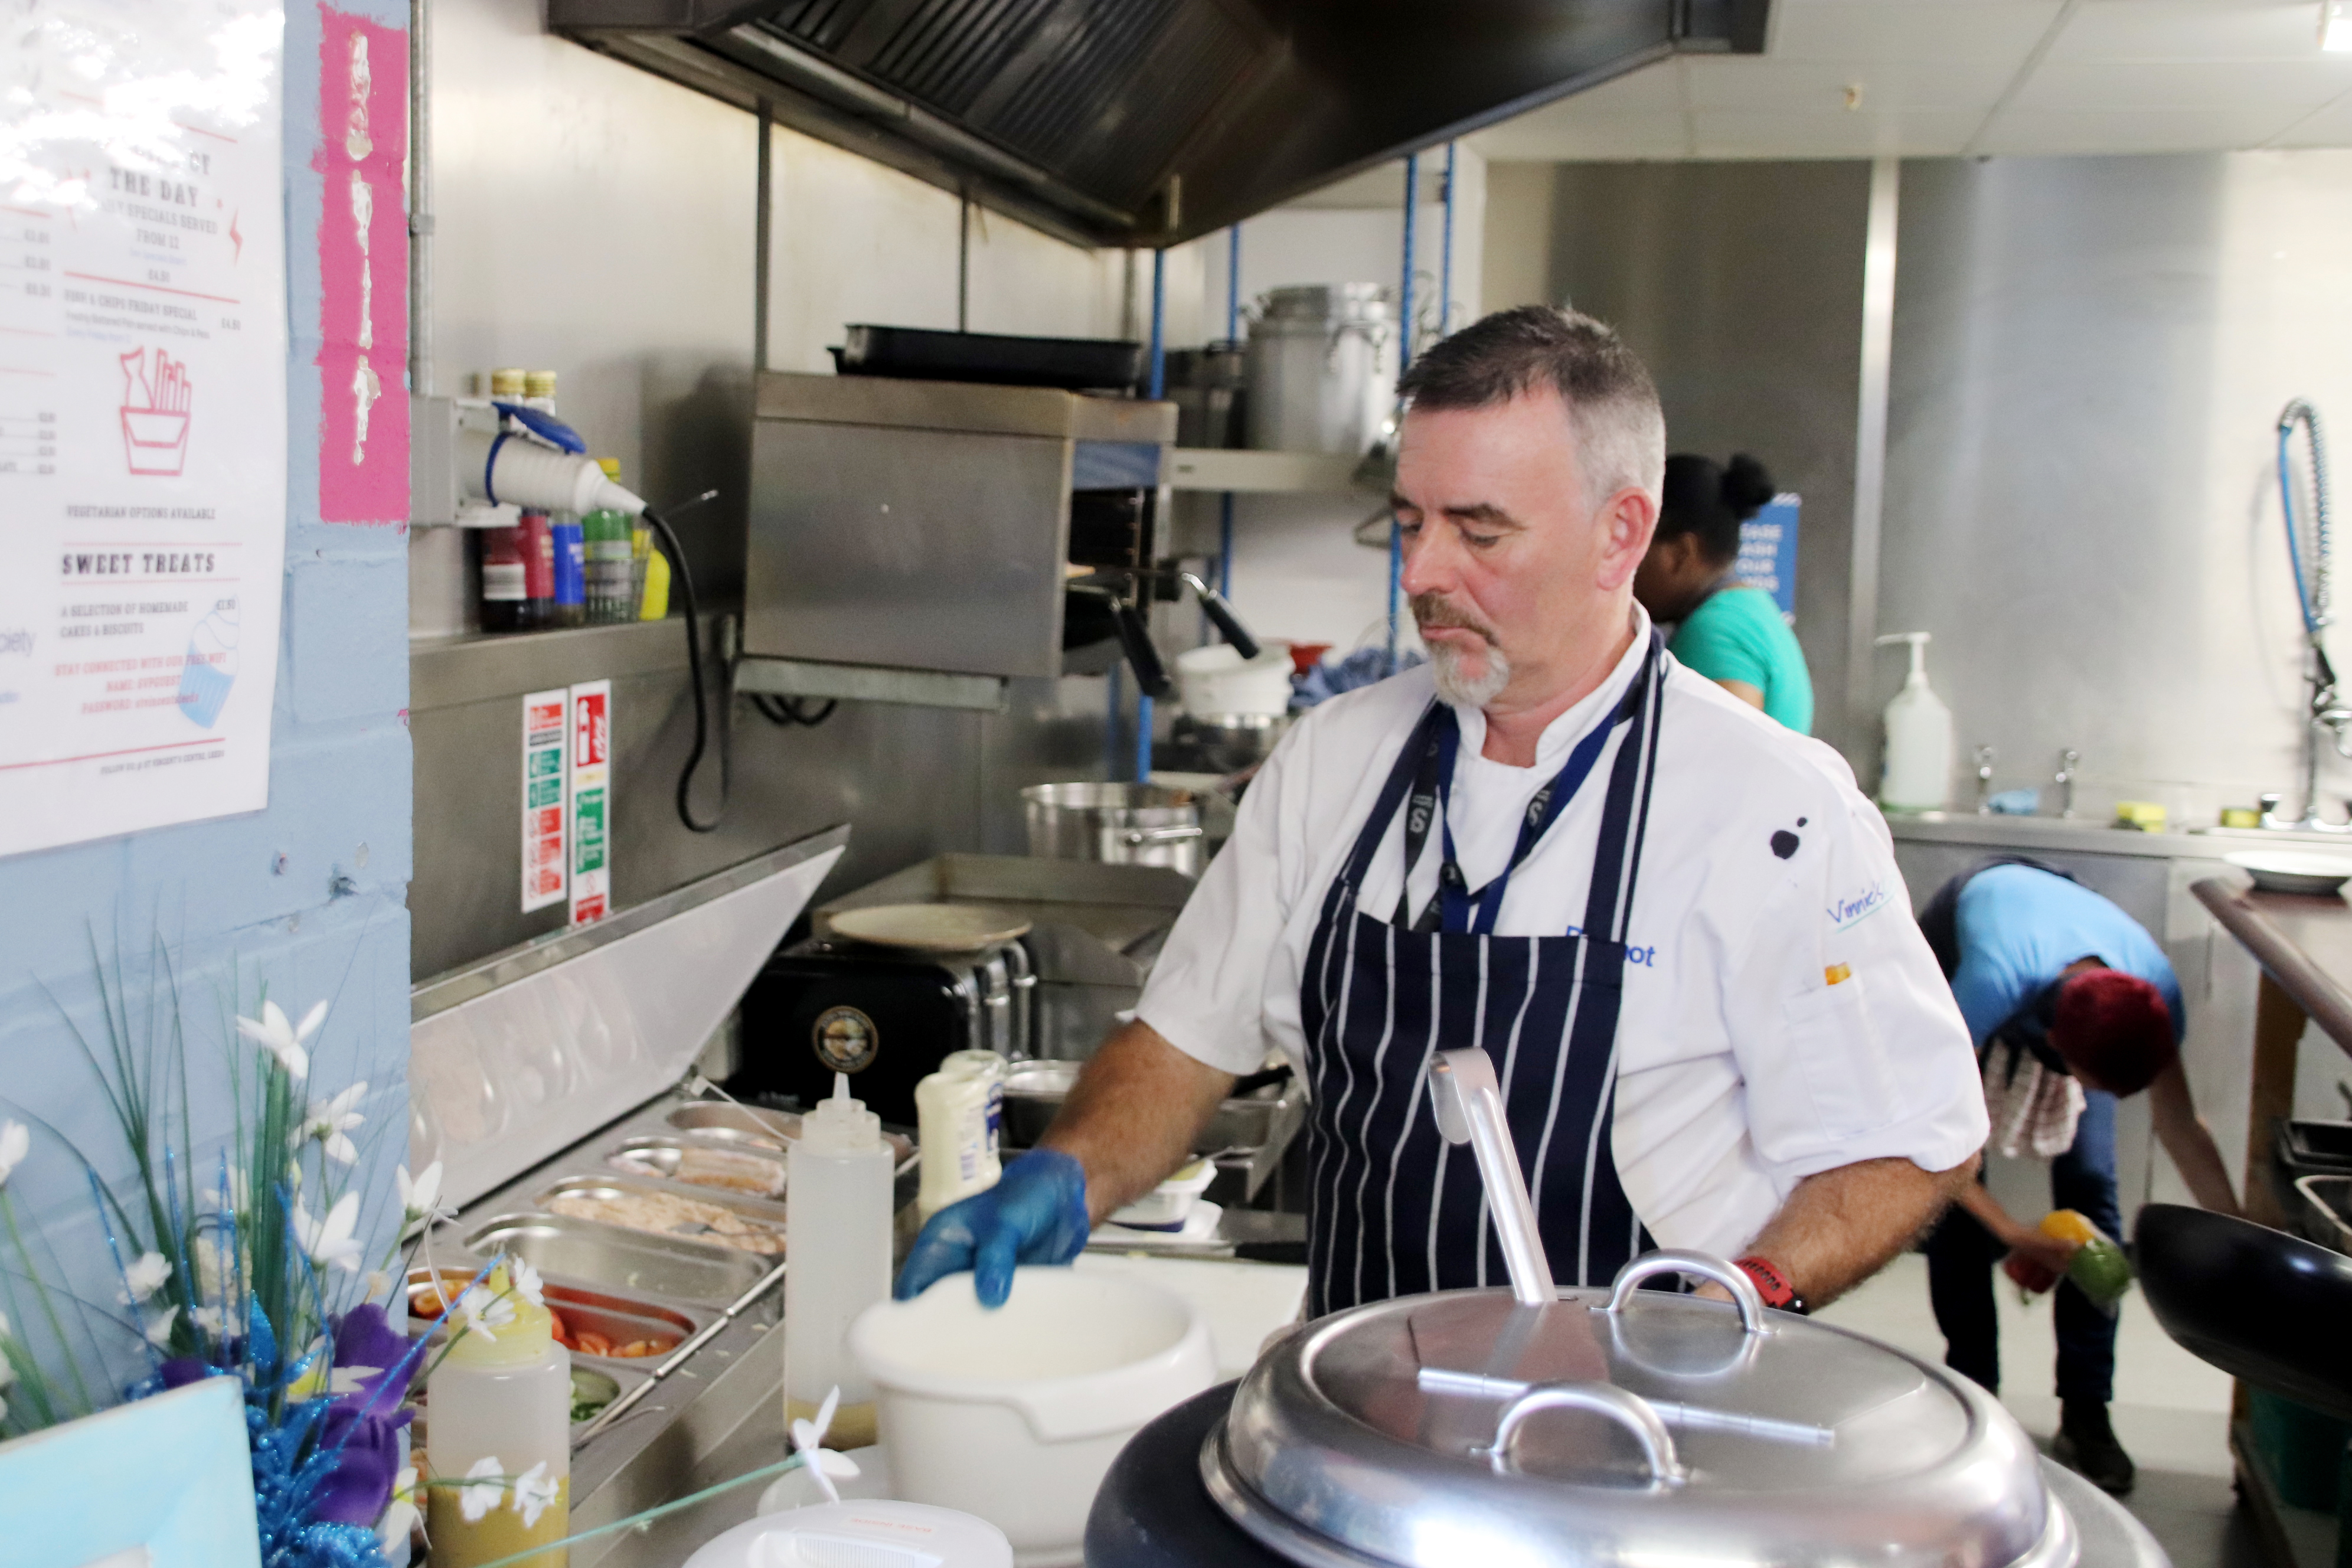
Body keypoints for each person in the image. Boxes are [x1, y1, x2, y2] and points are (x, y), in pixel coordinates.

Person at [897, 306, 1987, 1324]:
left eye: (1478, 531)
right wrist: (1071, 1170)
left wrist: (1745, 1293)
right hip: (1356, 1401)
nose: (1419, 572)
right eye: (1411, 522)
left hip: (1634, 1428)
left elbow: (1905, 1139)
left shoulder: (1772, 811)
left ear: (1620, 536)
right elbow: (1186, 1038)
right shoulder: (1333, 757)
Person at [1918, 859, 2242, 1496]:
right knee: (1951, 1211)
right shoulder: (1988, 983)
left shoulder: (2152, 997)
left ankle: (2087, 1410)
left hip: (2062, 945)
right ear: (2058, 1054)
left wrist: (2241, 1239)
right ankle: (1975, 1398)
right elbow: (1926, 1135)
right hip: (1961, 928)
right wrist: (2013, 1232)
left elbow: (2181, 1128)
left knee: (2093, 1186)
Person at [1631, 452, 1814, 733]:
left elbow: (1726, 757)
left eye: (1637, 550)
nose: (1627, 570)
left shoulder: (1715, 630)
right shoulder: (1747, 607)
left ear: (1680, 553)